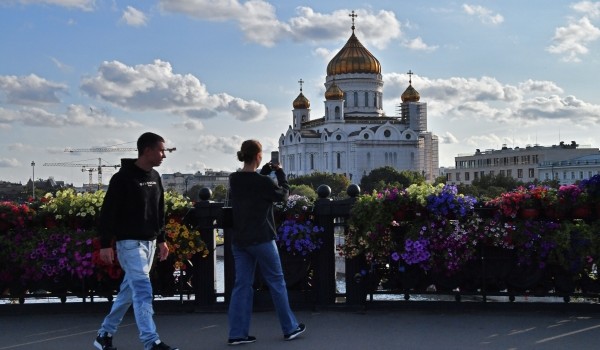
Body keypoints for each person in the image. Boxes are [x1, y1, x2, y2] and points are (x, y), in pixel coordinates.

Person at [94, 132, 179, 350]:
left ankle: (104, 334)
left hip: (149, 244)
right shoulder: (123, 178)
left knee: (128, 292)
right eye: (161, 150)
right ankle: (151, 342)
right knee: (142, 290)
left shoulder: (155, 177)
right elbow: (108, 212)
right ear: (147, 150)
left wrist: (161, 240)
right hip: (129, 244)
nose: (164, 155)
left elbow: (159, 211)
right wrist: (105, 243)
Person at [227, 139, 306, 346]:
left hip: (240, 240)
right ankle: (289, 328)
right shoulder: (263, 183)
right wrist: (280, 174)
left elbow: (250, 183)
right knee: (277, 282)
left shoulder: (234, 179)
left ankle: (237, 334)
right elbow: (283, 196)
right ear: (259, 156)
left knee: (242, 285)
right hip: (262, 238)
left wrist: (262, 171)